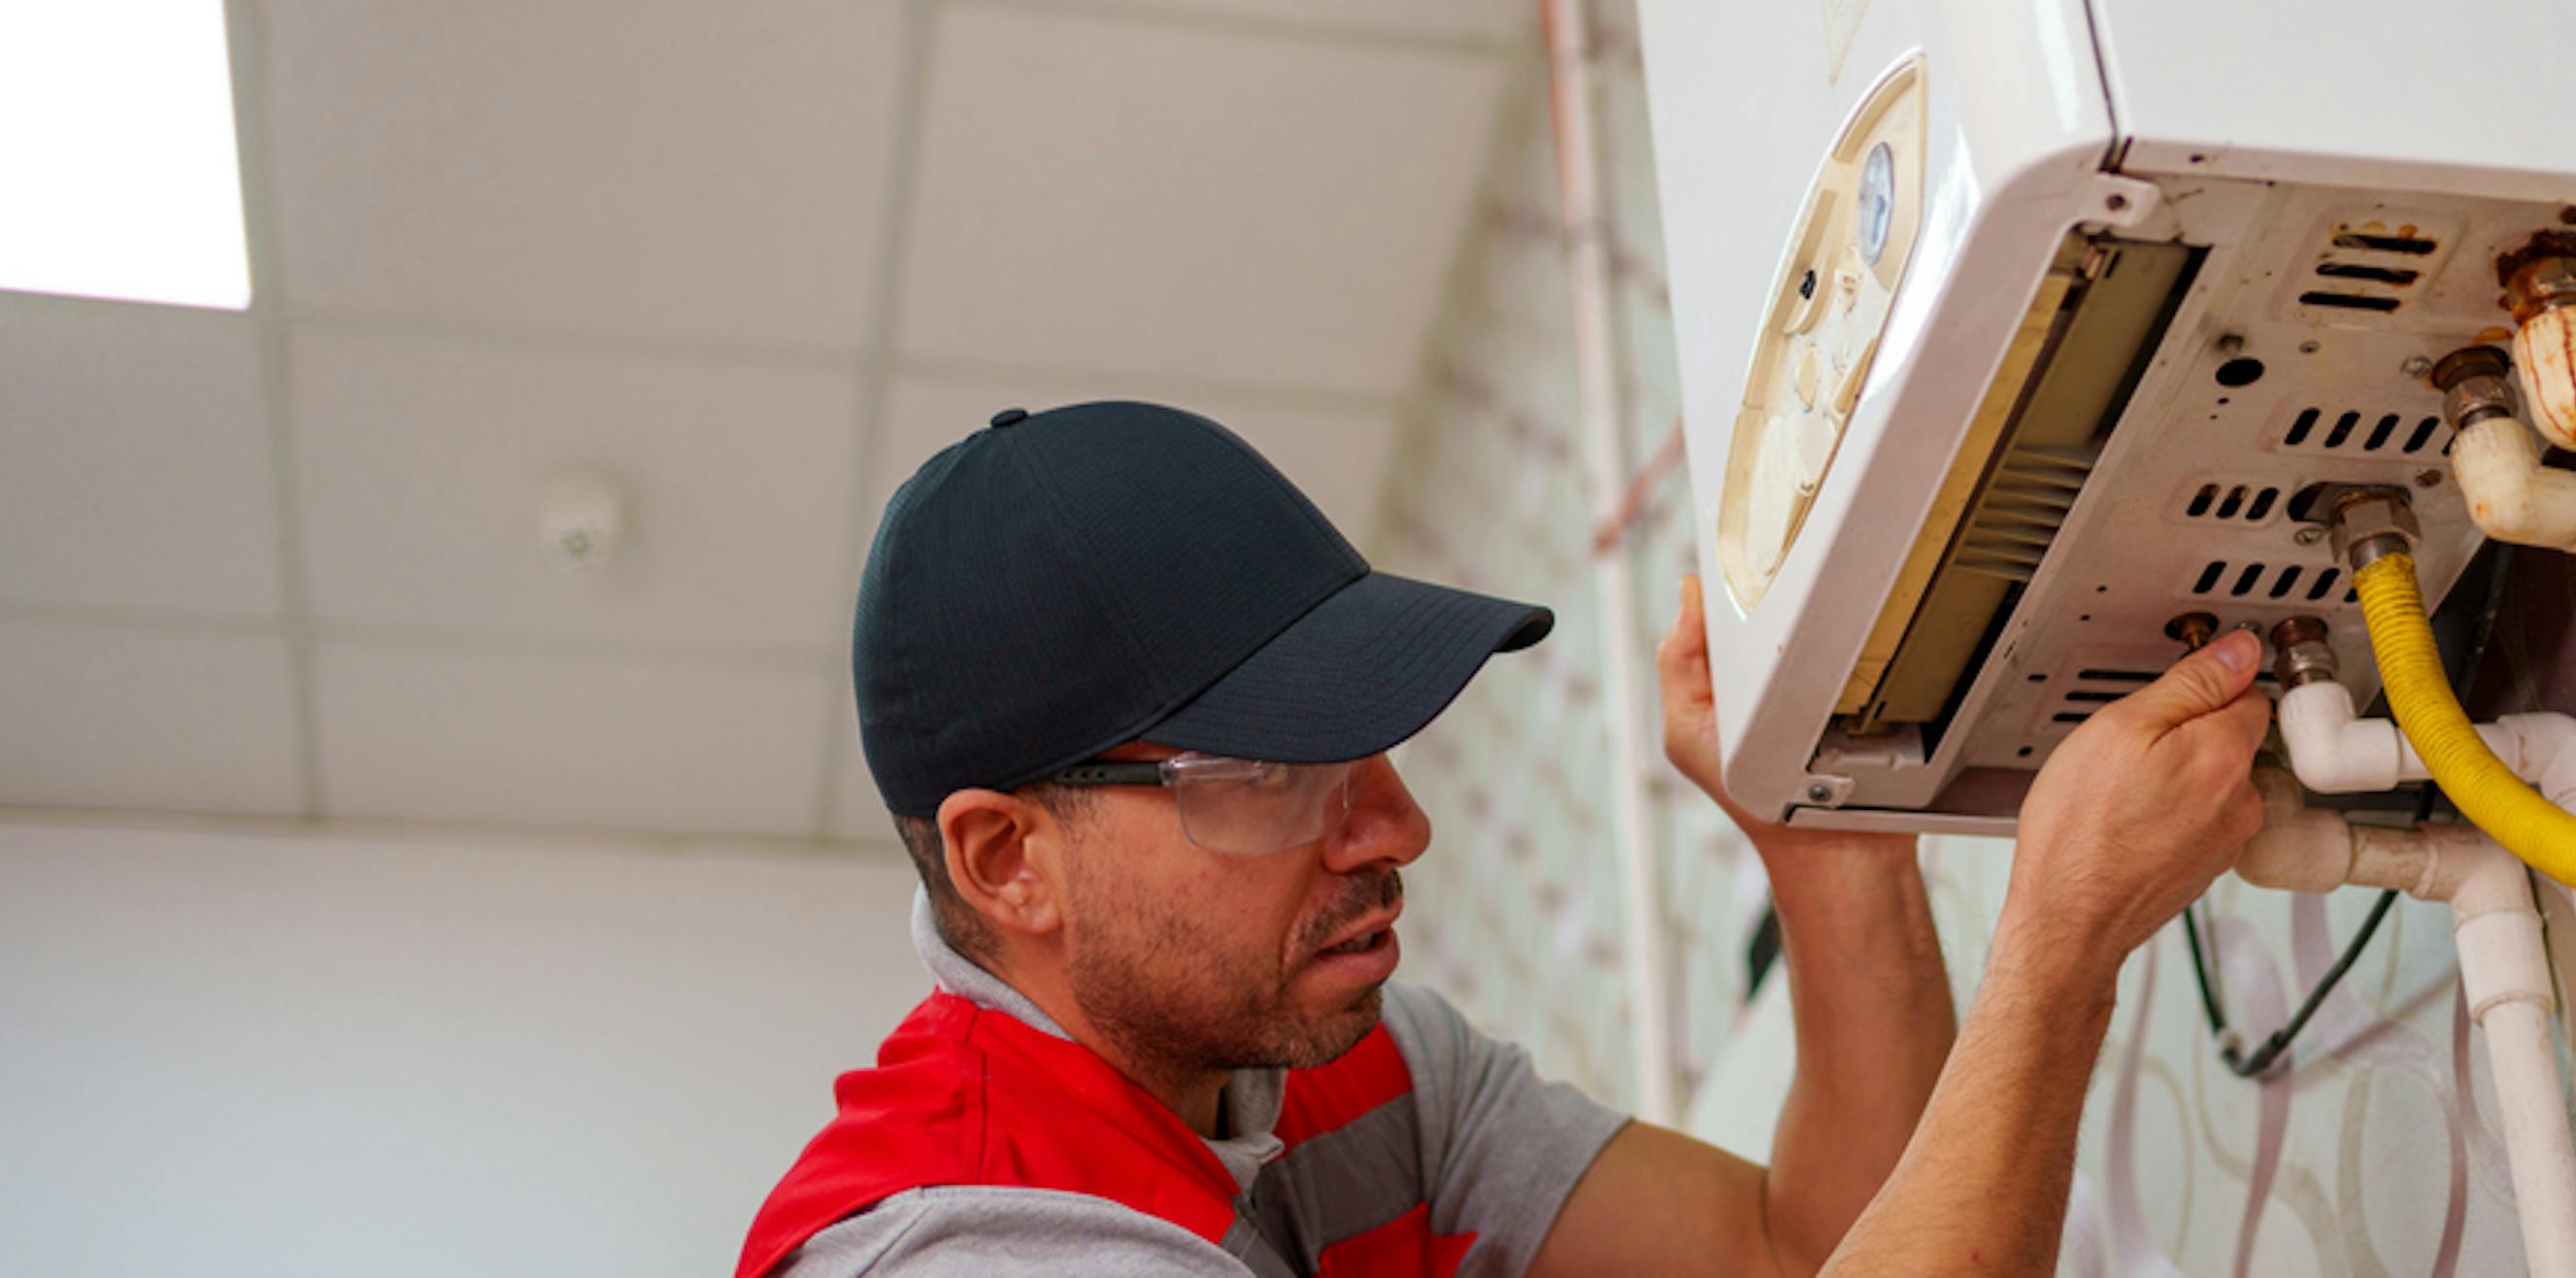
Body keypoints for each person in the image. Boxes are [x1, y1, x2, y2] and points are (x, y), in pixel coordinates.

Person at [739, 401, 2268, 1277]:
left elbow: (1803, 1247)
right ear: (1011, 859)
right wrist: (2058, 952)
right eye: (1276, 774)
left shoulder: (1345, 1057)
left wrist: (1823, 842)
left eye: (1370, 740)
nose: (1396, 823)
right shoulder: (971, 1256)